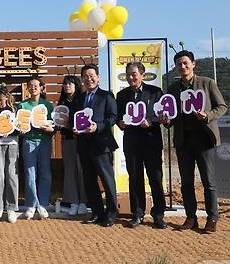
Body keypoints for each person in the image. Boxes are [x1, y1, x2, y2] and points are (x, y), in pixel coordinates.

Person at [160, 50, 227, 233]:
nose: (182, 67)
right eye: (178, 64)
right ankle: (191, 218)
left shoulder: (207, 83)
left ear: (193, 64)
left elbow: (222, 107)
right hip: (183, 140)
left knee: (208, 181)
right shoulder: (173, 89)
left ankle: (212, 218)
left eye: (185, 63)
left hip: (204, 138)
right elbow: (172, 116)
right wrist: (167, 121)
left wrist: (207, 116)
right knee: (186, 182)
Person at [116, 62, 167, 229]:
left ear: (142, 75)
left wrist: (151, 122)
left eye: (134, 74)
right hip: (132, 141)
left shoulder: (155, 92)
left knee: (155, 178)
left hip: (151, 140)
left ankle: (158, 214)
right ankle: (137, 213)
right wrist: (120, 123)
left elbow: (162, 115)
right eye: (128, 74)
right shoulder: (122, 95)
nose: (131, 78)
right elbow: (117, 116)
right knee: (135, 178)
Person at [74, 64, 119, 227]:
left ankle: (112, 213)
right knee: (89, 180)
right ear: (82, 79)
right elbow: (75, 118)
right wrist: (75, 128)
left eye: (92, 75)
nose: (89, 79)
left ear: (98, 77)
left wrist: (98, 126)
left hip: (101, 144)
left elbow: (113, 117)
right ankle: (96, 212)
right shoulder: (79, 98)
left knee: (107, 179)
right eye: (85, 76)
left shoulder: (106, 95)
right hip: (84, 144)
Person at [19, 77, 54, 220]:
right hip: (28, 141)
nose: (33, 88)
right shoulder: (22, 105)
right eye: (30, 86)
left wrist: (51, 128)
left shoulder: (48, 105)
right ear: (27, 89)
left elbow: (54, 124)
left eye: (36, 86)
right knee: (30, 173)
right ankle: (32, 204)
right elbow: (19, 124)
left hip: (44, 141)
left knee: (45, 172)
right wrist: (20, 128)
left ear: (41, 88)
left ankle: (43, 204)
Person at [0, 85, 20, 223]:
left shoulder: (14, 110)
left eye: (2, 99)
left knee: (12, 175)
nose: (0, 102)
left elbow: (19, 127)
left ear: (7, 97)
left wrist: (11, 130)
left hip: (12, 144)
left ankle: (11, 207)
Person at [57, 75, 87, 216]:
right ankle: (72, 201)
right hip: (67, 139)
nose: (67, 86)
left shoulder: (82, 100)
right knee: (69, 170)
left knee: (82, 170)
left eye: (70, 83)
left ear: (76, 85)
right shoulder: (62, 103)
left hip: (81, 139)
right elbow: (58, 122)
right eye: (65, 84)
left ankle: (84, 201)